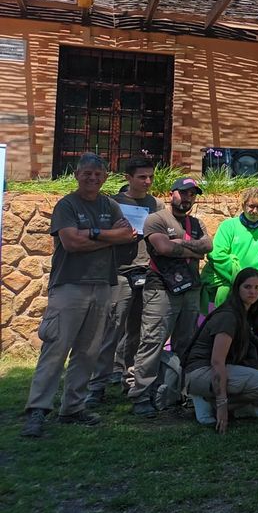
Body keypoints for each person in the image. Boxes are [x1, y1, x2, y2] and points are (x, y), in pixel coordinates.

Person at [21, 153, 138, 438]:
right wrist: (107, 235)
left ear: (105, 177)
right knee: (56, 348)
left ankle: (73, 407)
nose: (92, 178)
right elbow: (71, 242)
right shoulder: (67, 205)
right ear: (77, 174)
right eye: (87, 173)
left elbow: (127, 236)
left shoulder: (110, 205)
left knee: (88, 351)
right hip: (69, 285)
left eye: (98, 175)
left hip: (102, 285)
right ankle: (37, 409)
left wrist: (95, 234)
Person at [128, 177, 212, 417]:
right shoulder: (157, 219)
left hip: (191, 288)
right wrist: (191, 248)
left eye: (192, 194)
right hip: (161, 289)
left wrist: (181, 244)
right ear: (171, 193)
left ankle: (182, 392)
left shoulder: (196, 223)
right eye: (183, 193)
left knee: (186, 343)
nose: (187, 198)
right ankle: (141, 395)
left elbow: (208, 246)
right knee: (152, 342)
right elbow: (163, 248)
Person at [85, 156, 159, 410]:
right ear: (128, 178)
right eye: (142, 177)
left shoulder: (156, 205)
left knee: (139, 333)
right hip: (119, 273)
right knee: (111, 332)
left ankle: (132, 382)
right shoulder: (112, 203)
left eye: (150, 176)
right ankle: (97, 386)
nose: (147, 181)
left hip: (147, 273)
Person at [184, 267, 258, 431]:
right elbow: (217, 362)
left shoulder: (252, 313)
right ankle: (208, 401)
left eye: (257, 287)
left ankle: (245, 406)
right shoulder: (228, 316)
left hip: (230, 364)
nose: (252, 292)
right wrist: (221, 405)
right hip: (201, 370)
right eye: (247, 287)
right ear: (237, 288)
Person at [201, 187, 258, 311]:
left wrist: (256, 279)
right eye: (251, 206)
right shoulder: (228, 226)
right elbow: (217, 254)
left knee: (255, 327)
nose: (254, 211)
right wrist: (239, 277)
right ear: (243, 206)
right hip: (230, 289)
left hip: (256, 291)